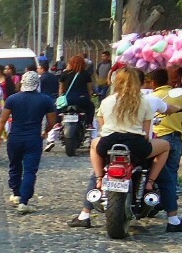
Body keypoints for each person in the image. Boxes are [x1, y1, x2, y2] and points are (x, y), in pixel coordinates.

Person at [69, 67, 171, 228]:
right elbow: (145, 133)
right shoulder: (143, 102)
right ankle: (150, 182)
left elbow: (102, 129)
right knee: (165, 146)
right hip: (136, 145)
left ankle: (99, 179)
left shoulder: (107, 101)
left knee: (94, 145)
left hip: (109, 143)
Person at [0, 71, 56, 214]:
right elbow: (52, 121)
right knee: (30, 170)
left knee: (14, 166)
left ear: (22, 83)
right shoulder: (45, 100)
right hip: (33, 138)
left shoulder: (12, 99)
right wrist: (45, 132)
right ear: (37, 84)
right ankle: (24, 201)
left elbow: (2, 120)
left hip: (15, 138)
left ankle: (16, 193)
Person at [150, 68, 182, 232]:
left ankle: (159, 204)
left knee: (156, 173)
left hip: (159, 140)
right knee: (171, 175)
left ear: (152, 82)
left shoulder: (151, 97)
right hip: (175, 138)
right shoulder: (179, 95)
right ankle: (171, 214)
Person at [59, 54, 94, 132]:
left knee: (57, 107)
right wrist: (89, 98)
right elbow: (89, 89)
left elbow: (61, 88)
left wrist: (61, 97)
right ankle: (89, 124)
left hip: (67, 100)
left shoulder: (64, 74)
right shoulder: (86, 74)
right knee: (91, 107)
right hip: (82, 100)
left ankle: (57, 123)